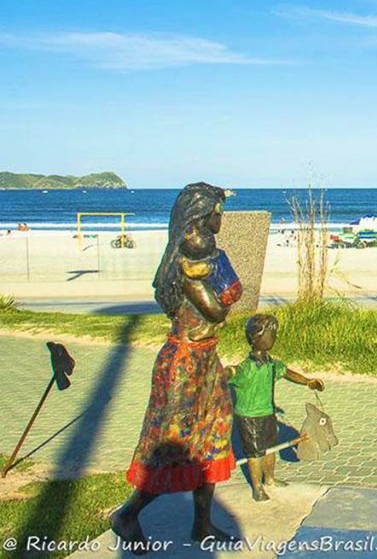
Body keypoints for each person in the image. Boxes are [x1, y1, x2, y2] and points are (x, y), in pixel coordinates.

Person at [111, 182, 242, 553]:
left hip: (206, 357)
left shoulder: (207, 259)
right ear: (202, 216)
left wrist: (222, 278)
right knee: (174, 446)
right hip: (183, 363)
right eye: (218, 211)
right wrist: (224, 284)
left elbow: (223, 304)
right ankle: (127, 514)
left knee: (213, 436)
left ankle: (202, 524)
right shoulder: (189, 265)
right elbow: (217, 310)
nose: (221, 217)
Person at [226, 313, 324, 501]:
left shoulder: (272, 364)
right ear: (256, 337)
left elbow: (287, 372)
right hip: (248, 416)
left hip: (268, 413)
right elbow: (231, 371)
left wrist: (307, 382)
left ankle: (269, 478)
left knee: (271, 448)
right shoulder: (246, 368)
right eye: (271, 333)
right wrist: (222, 373)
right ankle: (257, 487)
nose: (275, 337)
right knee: (255, 453)